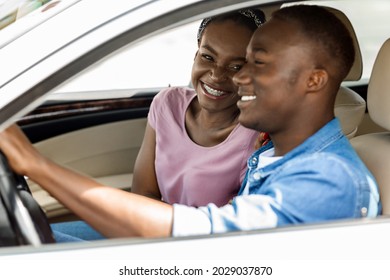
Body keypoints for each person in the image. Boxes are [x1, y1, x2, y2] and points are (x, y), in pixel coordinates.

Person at [0, 4, 381, 240]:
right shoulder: (279, 156)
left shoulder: (328, 179)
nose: (237, 78)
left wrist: (36, 166)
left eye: (257, 64)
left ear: (314, 80)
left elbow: (207, 241)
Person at [131, 9, 265, 207]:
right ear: (196, 55)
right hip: (146, 229)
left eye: (236, 66)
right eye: (208, 57)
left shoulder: (256, 137)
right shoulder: (167, 104)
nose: (217, 75)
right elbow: (142, 194)